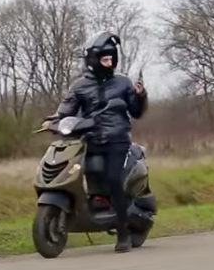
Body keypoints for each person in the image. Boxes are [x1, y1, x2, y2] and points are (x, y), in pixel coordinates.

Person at [46, 32, 148, 253]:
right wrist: (54, 120)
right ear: (93, 60)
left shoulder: (123, 83)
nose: (109, 62)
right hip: (90, 140)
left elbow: (136, 112)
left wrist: (140, 96)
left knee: (113, 179)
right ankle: (88, 209)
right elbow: (66, 109)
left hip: (117, 140)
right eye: (104, 59)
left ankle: (123, 232)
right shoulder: (79, 86)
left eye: (111, 59)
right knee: (76, 173)